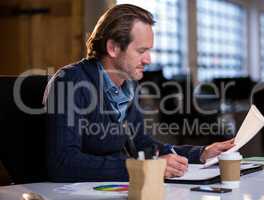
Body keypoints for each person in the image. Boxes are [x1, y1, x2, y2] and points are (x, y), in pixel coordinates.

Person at [43, 4, 234, 182]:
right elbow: (62, 163)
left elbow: (142, 144)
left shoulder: (127, 86)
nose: (148, 60)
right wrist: (143, 168)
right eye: (141, 50)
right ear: (113, 48)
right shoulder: (70, 81)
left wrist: (200, 154)